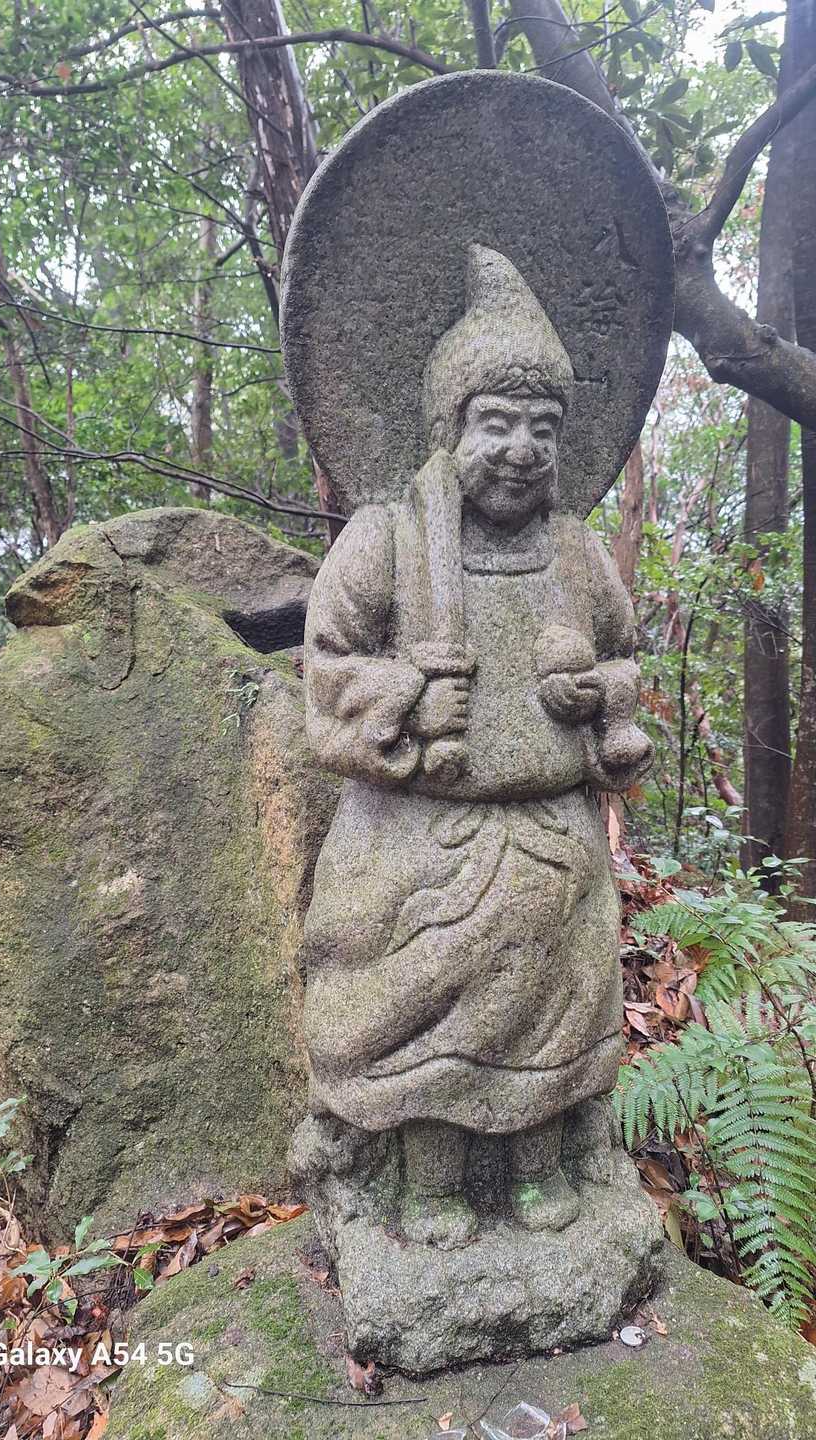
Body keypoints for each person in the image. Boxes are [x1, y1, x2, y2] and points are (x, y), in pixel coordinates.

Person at [301, 246, 652, 1249]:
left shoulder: (576, 552)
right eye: (497, 423)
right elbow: (325, 670)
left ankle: (539, 1166)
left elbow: (628, 662)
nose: (522, 450)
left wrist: (599, 693)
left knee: (551, 1014)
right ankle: (429, 1182)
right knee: (426, 1022)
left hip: (551, 841)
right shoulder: (388, 541)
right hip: (420, 847)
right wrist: (408, 690)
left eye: (543, 427)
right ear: (449, 428)